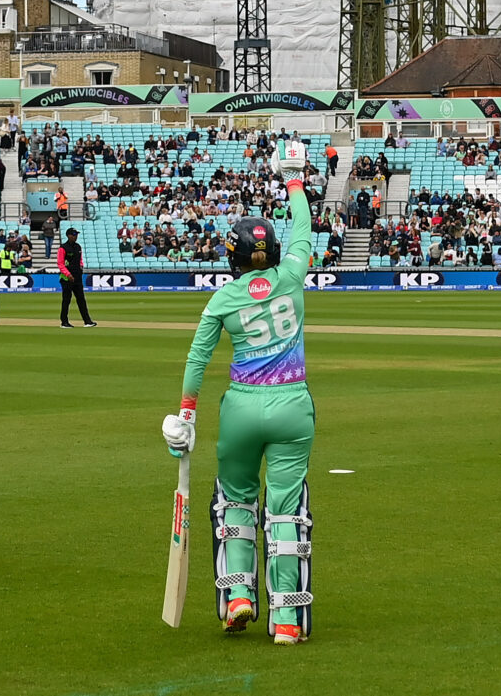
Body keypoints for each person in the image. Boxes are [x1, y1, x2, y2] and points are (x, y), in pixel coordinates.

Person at [162, 146, 318, 645]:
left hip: (242, 408)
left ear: (231, 255)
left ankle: (238, 597)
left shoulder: (223, 298)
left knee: (236, 504)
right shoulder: (292, 277)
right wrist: (294, 183)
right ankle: (288, 622)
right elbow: (304, 231)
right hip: (293, 406)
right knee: (286, 510)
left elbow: (197, 359)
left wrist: (186, 413)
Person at [58, 227, 95, 328]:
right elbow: (60, 264)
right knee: (66, 300)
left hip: (77, 277)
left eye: (76, 234)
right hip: (66, 278)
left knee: (81, 299)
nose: (76, 236)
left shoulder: (78, 247)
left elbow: (80, 260)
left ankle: (87, 321)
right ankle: (64, 322)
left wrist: (81, 267)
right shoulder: (63, 248)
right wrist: (68, 274)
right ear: (68, 235)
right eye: (74, 234)